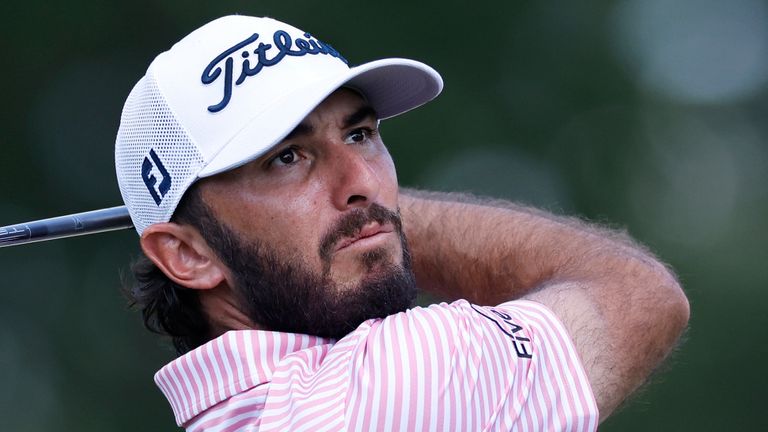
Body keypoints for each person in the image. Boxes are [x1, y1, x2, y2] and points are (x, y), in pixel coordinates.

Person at [116, 15, 689, 431]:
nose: (360, 180)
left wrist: (345, 218)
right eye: (287, 158)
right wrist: (381, 217)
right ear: (186, 255)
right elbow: (635, 293)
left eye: (359, 134)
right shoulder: (402, 378)